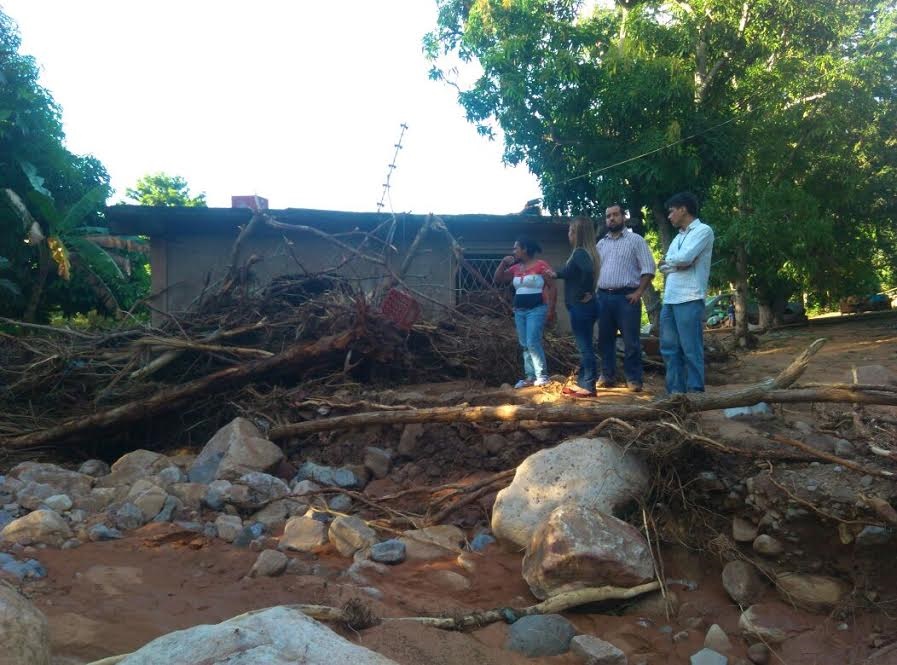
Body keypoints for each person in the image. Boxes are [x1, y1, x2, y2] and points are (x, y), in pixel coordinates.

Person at [595, 204, 656, 392]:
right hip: (603, 297)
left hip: (626, 298)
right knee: (605, 340)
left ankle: (634, 379)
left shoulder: (636, 240)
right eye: (608, 216)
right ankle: (607, 375)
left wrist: (638, 293)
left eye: (615, 215)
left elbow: (649, 268)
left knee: (631, 342)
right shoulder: (600, 244)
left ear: (624, 217)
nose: (611, 219)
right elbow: (595, 271)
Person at [658, 192, 715, 393]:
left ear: (683, 209)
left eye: (671, 211)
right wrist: (677, 264)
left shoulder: (703, 230)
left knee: (691, 348)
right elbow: (664, 266)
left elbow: (686, 258)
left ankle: (695, 393)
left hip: (690, 297)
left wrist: (676, 263)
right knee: (669, 349)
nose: (669, 216)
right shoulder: (678, 237)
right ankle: (675, 394)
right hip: (671, 299)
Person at [548, 216, 601, 397]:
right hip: (584, 307)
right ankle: (584, 383)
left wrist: (583, 292)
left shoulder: (579, 253)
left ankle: (588, 386)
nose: (568, 234)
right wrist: (555, 273)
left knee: (584, 347)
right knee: (585, 346)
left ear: (578, 234)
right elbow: (570, 272)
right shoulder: (586, 253)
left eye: (571, 231)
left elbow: (586, 272)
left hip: (581, 307)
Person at [494, 237, 557, 388]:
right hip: (519, 311)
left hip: (537, 309)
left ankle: (542, 376)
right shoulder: (516, 268)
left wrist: (551, 309)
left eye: (516, 248)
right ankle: (530, 377)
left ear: (525, 249)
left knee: (532, 342)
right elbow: (498, 279)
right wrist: (503, 263)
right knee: (524, 344)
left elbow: (553, 287)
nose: (513, 251)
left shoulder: (541, 265)